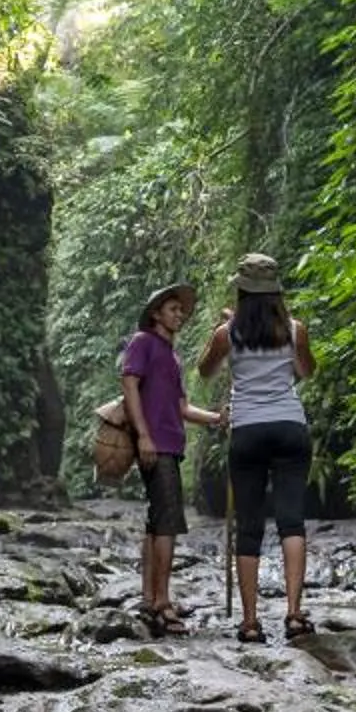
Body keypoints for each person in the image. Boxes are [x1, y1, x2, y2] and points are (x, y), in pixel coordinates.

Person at [198, 251, 315, 642]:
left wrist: (224, 329)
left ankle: (250, 622)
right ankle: (294, 614)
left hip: (248, 430)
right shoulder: (295, 330)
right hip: (290, 427)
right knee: (291, 521)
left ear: (242, 292)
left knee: (249, 527)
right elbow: (306, 371)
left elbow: (205, 371)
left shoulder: (227, 334)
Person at [119, 281, 224, 636]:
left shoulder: (172, 356)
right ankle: (163, 603)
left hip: (170, 445)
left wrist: (217, 418)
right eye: (173, 309)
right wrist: (143, 435)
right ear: (156, 314)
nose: (180, 315)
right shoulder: (143, 342)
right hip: (155, 444)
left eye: (181, 310)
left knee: (156, 521)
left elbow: (182, 408)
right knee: (167, 522)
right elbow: (129, 385)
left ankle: (150, 599)